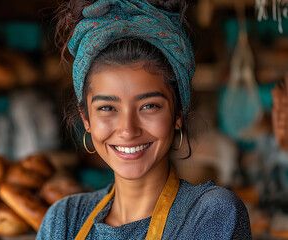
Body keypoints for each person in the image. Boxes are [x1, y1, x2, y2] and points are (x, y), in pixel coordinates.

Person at [37, 0, 252, 239]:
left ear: (178, 113)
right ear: (85, 118)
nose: (128, 130)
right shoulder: (64, 219)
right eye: (107, 108)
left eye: (149, 106)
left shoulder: (212, 213)